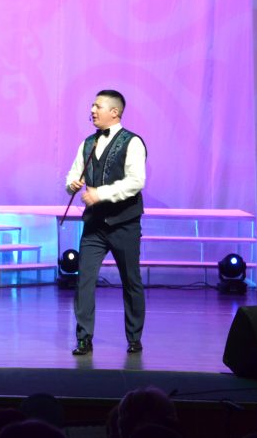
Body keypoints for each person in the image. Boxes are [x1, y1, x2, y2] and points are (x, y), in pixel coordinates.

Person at [65, 89, 147, 355]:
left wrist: (99, 194)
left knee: (131, 281)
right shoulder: (87, 143)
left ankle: (134, 337)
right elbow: (73, 174)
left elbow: (135, 182)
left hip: (124, 223)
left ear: (114, 112)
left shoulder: (132, 142)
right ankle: (84, 337)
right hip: (94, 225)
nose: (92, 110)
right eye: (92, 106)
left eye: (97, 106)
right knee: (84, 280)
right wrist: (72, 184)